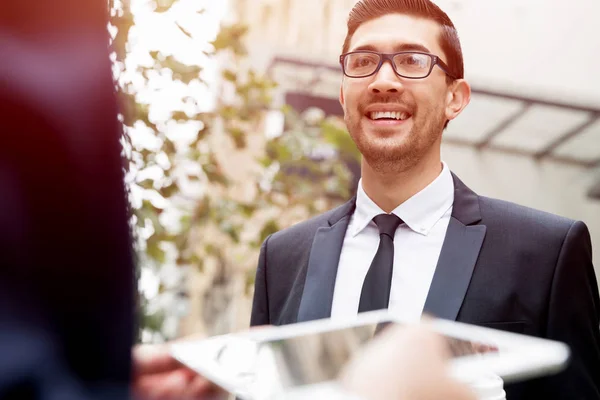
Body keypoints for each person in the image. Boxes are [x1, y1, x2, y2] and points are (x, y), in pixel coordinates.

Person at [249, 0, 600, 399]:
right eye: (363, 62)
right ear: (344, 96)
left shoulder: (546, 252)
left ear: (456, 97)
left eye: (412, 61)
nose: (384, 81)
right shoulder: (282, 257)